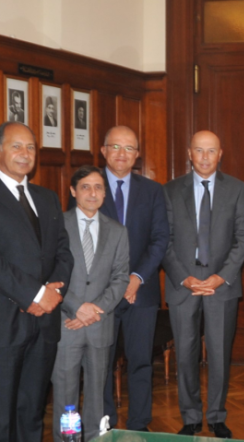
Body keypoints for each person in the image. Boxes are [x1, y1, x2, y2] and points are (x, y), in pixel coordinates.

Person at [0, 121, 73, 442]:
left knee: (31, 416)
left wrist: (52, 293)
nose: (25, 153)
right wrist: (35, 294)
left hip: (43, 326)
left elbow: (63, 251)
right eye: (16, 146)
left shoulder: (47, 198)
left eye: (31, 147)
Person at [162, 130, 244, 438]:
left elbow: (243, 238)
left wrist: (221, 276)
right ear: (189, 153)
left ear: (220, 154)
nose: (204, 157)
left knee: (219, 354)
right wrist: (184, 277)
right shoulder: (171, 190)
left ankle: (216, 416)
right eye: (199, 150)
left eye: (211, 150)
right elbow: (163, 239)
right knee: (185, 354)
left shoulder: (236, 189)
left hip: (220, 285)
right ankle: (190, 417)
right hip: (183, 284)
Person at [93, 126, 170, 432]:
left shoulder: (153, 191)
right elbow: (77, 239)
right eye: (115, 146)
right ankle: (105, 423)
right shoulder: (88, 185)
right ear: (103, 150)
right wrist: (114, 284)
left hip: (142, 291)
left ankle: (139, 424)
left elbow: (160, 239)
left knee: (140, 362)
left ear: (137, 155)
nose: (121, 154)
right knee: (102, 363)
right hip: (101, 293)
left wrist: (136, 277)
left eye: (129, 148)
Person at [53, 166, 130, 442]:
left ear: (105, 193)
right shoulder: (56, 225)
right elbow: (48, 274)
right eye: (85, 187)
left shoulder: (117, 231)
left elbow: (121, 277)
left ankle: (95, 438)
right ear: (73, 191)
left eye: (98, 187)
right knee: (65, 394)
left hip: (100, 324)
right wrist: (76, 307)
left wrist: (95, 309)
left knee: (97, 395)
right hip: (67, 324)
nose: (92, 193)